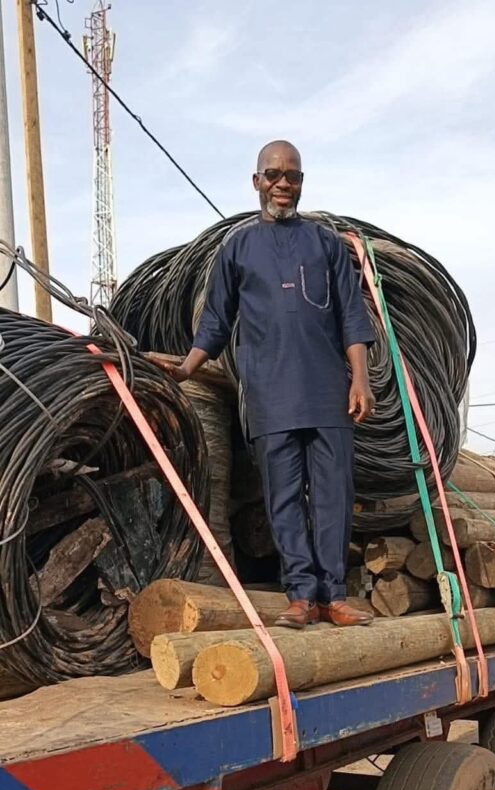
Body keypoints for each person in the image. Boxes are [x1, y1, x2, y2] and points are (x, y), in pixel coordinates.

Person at [151, 140, 376, 628]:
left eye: (292, 176)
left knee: (334, 495)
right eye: (273, 175)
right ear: (256, 181)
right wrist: (187, 368)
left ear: (302, 182)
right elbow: (215, 320)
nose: (282, 184)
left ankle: (334, 596)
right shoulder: (237, 248)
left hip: (328, 392)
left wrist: (359, 378)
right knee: (283, 496)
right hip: (269, 394)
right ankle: (300, 596)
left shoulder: (326, 244)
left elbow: (351, 316)